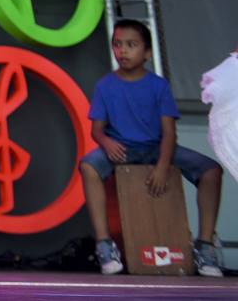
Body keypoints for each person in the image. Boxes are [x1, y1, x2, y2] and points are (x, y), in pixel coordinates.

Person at [80, 19, 224, 277]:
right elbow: (96, 130)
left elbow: (169, 132)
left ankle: (205, 246)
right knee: (88, 165)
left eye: (131, 45)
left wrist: (162, 166)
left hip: (157, 149)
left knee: (211, 171)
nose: (122, 51)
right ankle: (104, 245)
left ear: (146, 52)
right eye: (117, 45)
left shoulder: (159, 85)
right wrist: (106, 141)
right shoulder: (105, 85)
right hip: (121, 150)